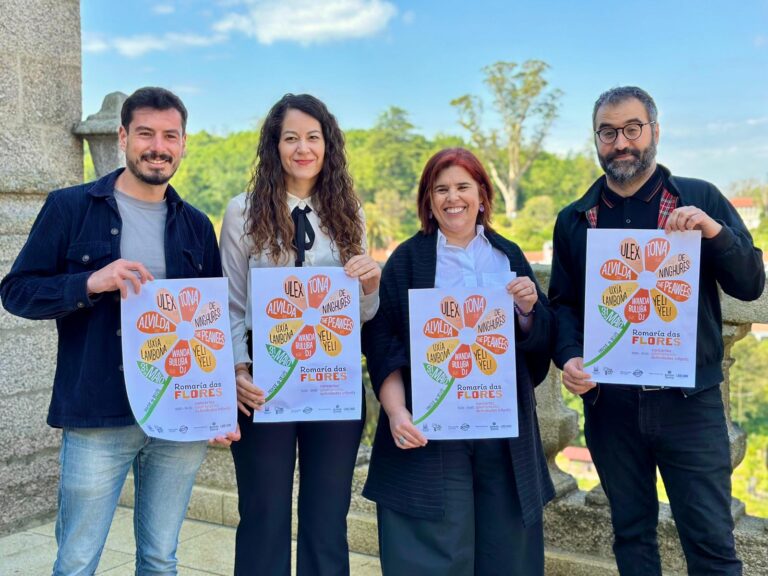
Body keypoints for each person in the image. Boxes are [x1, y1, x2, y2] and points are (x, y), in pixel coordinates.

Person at [0, 87, 237, 575]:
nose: (158, 146)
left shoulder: (196, 225)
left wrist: (220, 403)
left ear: (184, 143)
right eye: (146, 133)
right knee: (78, 560)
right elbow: (17, 292)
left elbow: (210, 327)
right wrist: (90, 281)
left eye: (170, 135)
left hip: (179, 417)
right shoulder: (69, 207)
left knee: (160, 557)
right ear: (124, 136)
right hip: (97, 414)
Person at [549, 86, 765, 576]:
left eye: (632, 129)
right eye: (608, 132)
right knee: (631, 537)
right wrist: (569, 357)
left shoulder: (700, 199)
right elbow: (562, 304)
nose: (621, 142)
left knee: (711, 544)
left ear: (654, 132)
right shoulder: (576, 220)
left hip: (691, 404)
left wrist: (714, 232)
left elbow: (751, 284)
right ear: (596, 140)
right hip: (610, 405)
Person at [361, 147, 555, 575]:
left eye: (463, 187)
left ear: (482, 195)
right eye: (441, 189)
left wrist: (526, 313)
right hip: (431, 431)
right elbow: (381, 339)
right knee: (432, 553)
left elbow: (542, 337)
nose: (453, 198)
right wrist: (395, 412)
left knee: (506, 554)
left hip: (502, 429)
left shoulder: (508, 255)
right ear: (429, 201)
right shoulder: (408, 261)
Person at [219, 93, 381, 576]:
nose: (303, 148)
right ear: (275, 146)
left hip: (333, 379)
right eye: (291, 138)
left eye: (313, 137)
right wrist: (238, 370)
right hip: (264, 386)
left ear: (328, 145)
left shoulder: (349, 211)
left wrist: (371, 285)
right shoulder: (241, 212)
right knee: (263, 512)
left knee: (327, 516)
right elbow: (231, 302)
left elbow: (360, 314)